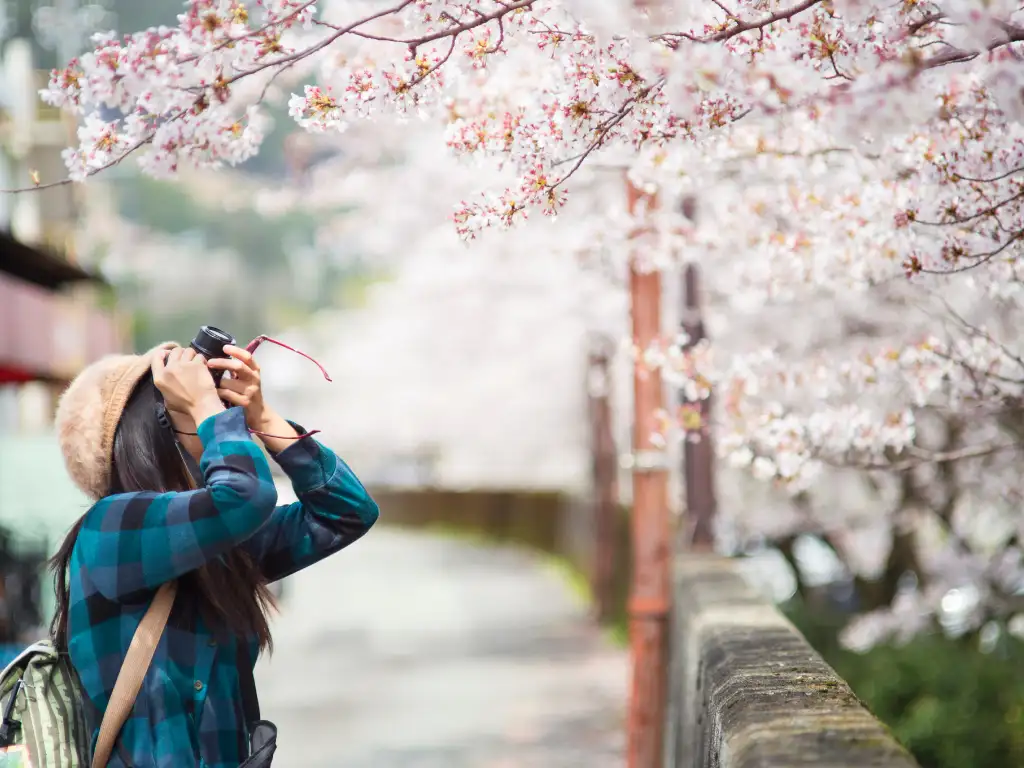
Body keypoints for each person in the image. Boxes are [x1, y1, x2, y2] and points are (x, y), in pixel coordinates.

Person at [48, 341, 379, 767]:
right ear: (150, 433)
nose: (219, 422)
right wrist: (208, 405)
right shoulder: (111, 528)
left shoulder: (216, 548)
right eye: (187, 407)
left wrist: (264, 417)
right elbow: (245, 496)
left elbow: (348, 512)